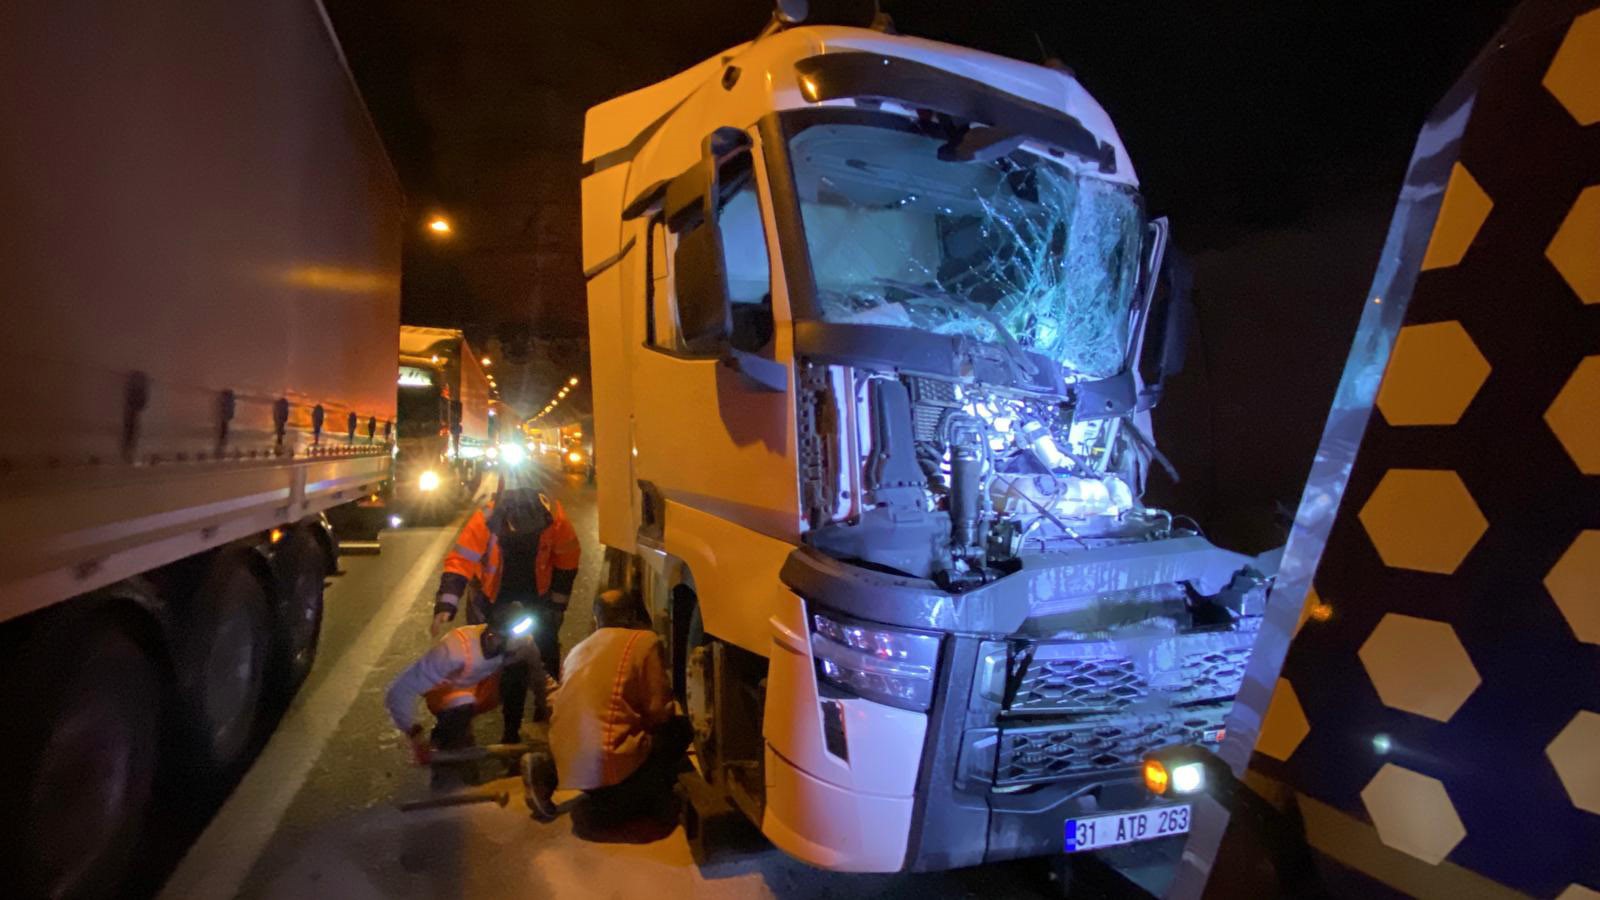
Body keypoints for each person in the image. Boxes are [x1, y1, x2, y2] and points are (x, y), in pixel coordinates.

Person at [433, 481, 580, 744]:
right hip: (495, 601)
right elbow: (461, 561)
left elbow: (567, 561)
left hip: (536, 599)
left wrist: (556, 607)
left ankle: (547, 717)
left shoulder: (554, 518)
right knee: (503, 665)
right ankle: (504, 730)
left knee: (546, 654)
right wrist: (447, 603)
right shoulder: (486, 520)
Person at [523, 589, 690, 821]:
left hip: (570, 769)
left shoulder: (576, 651)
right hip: (611, 770)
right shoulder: (644, 641)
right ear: (631, 615)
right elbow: (658, 712)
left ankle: (548, 769)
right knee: (680, 729)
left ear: (597, 618)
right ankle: (650, 796)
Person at [386, 601, 543, 758]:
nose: (519, 646)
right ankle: (446, 740)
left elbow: (539, 675)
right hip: (447, 695)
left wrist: (547, 706)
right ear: (492, 636)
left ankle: (511, 735)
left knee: (519, 671)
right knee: (461, 707)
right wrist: (414, 734)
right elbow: (400, 690)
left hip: (481, 690)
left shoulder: (521, 643)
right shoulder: (454, 650)